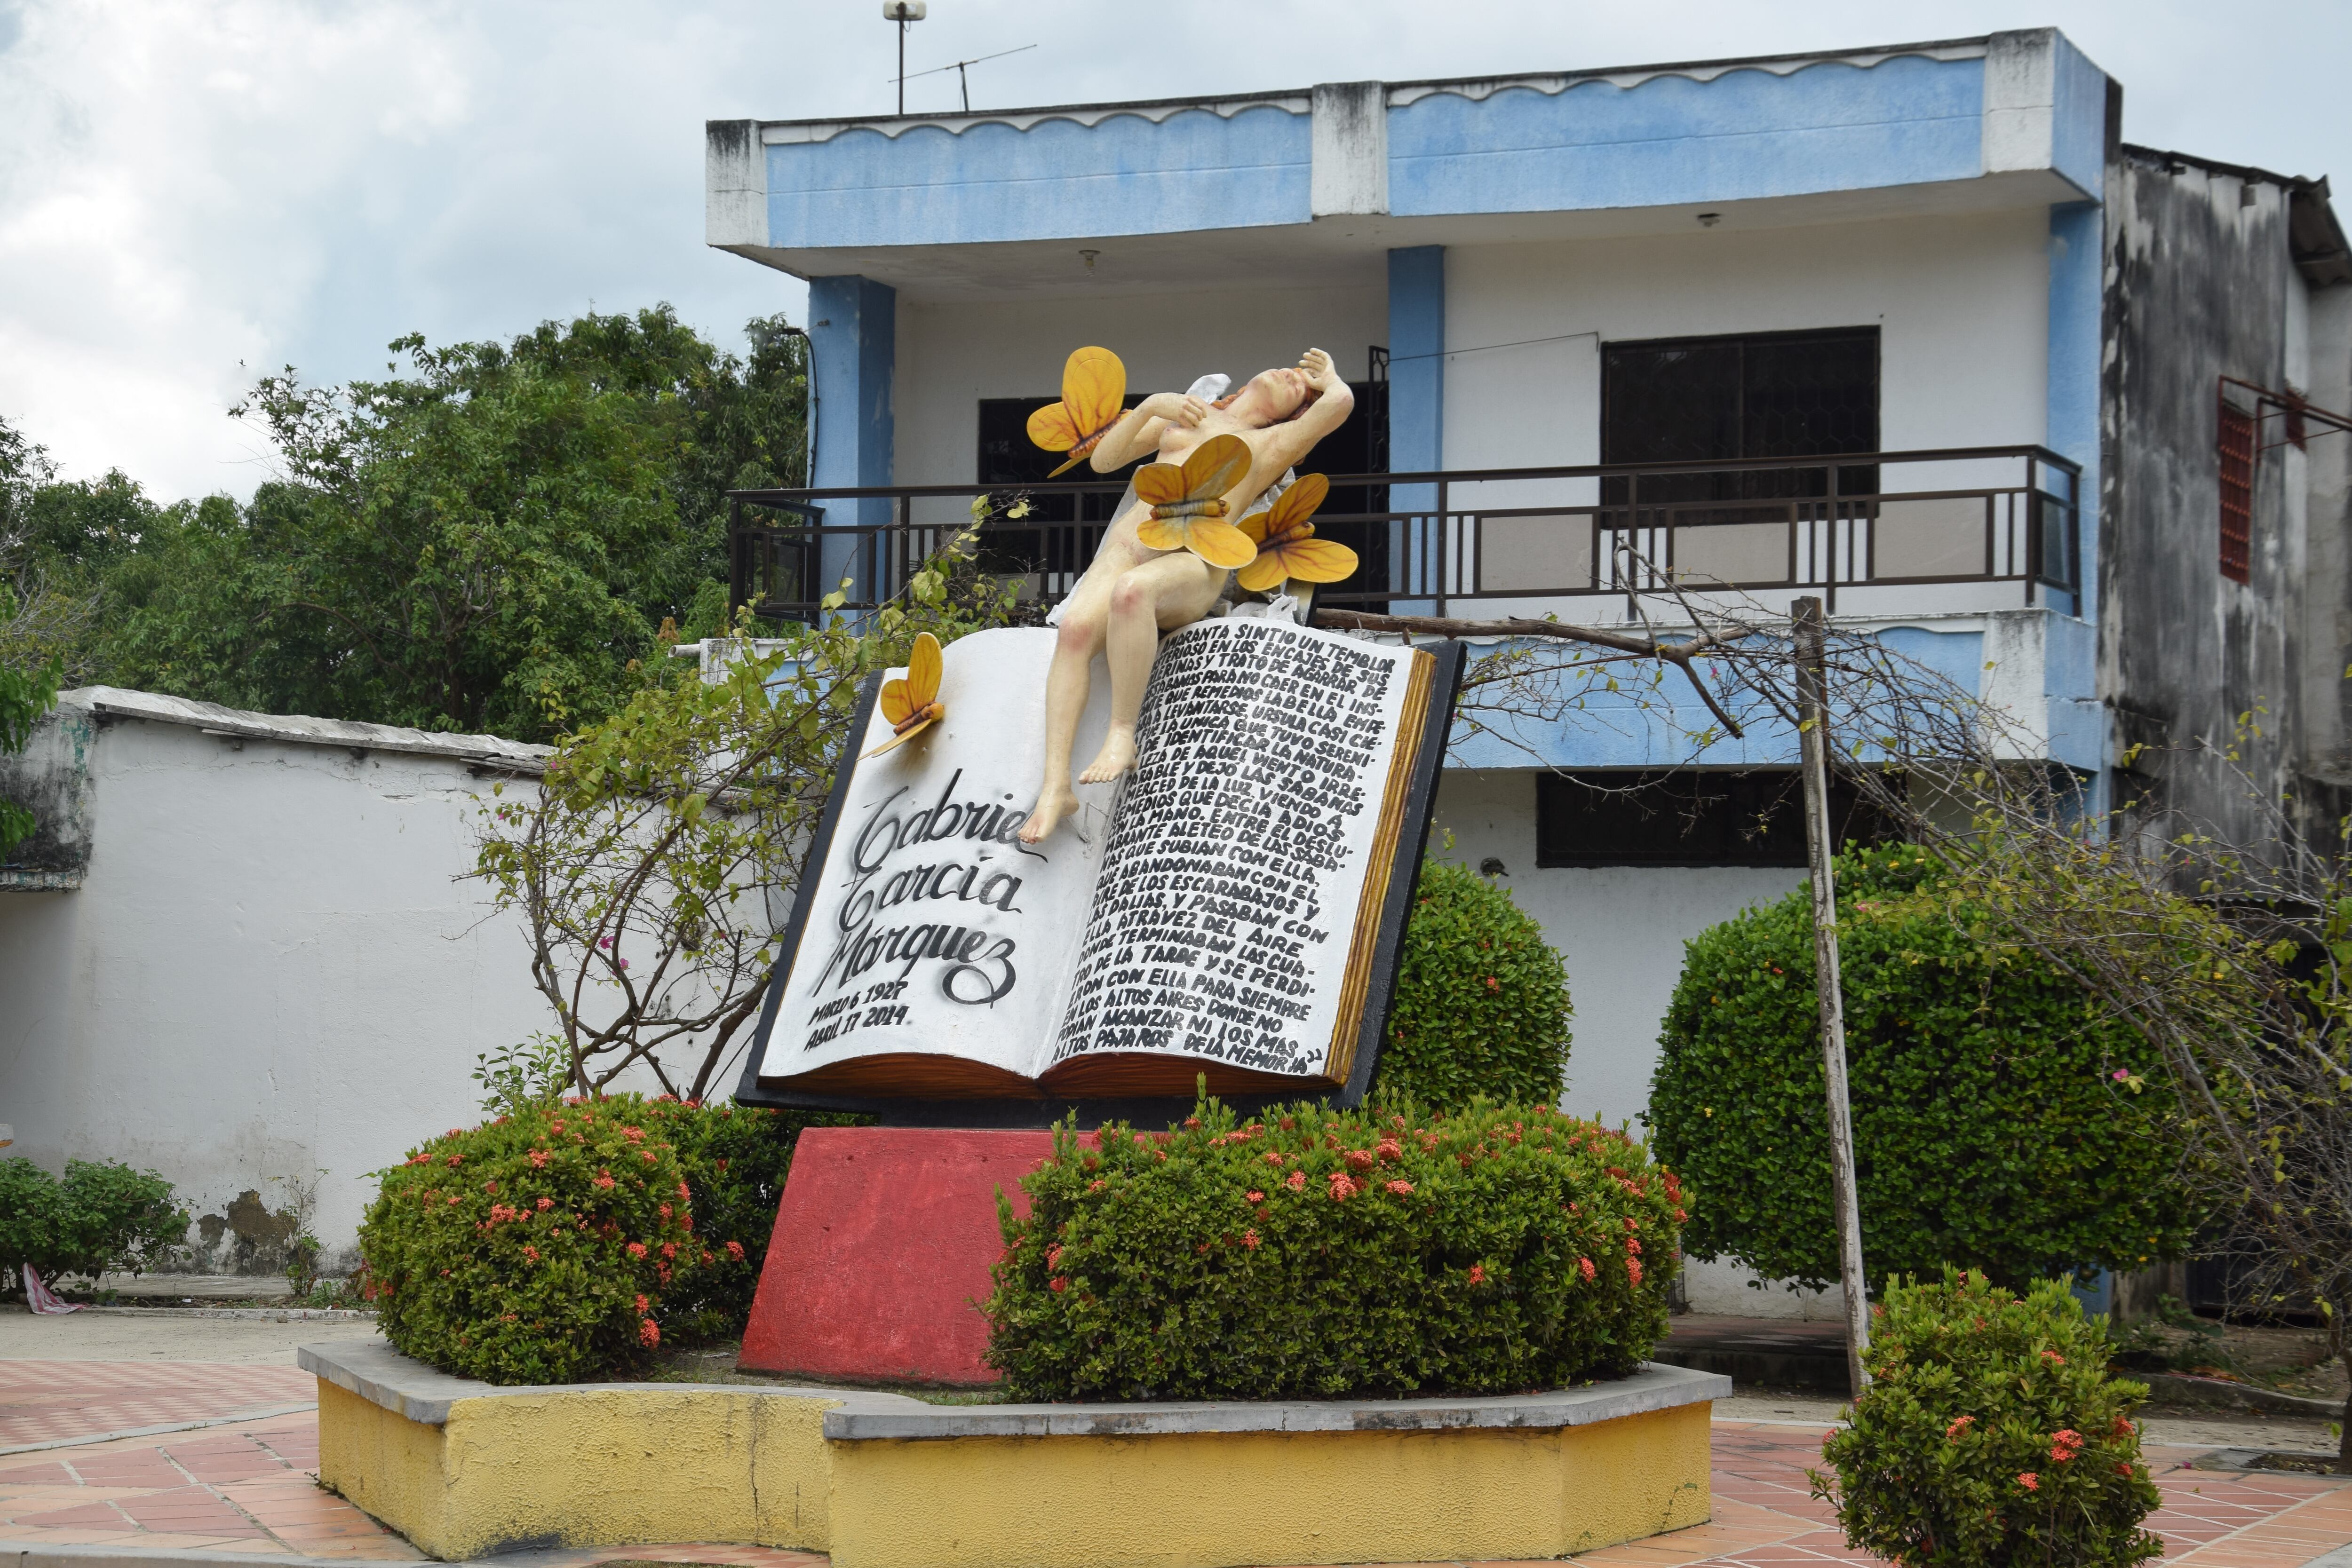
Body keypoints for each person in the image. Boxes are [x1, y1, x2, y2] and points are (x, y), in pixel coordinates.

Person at [1019, 348, 1354, 845]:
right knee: (1074, 629)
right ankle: (1054, 789)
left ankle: (1121, 733)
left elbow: (1339, 406)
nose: (1292, 377)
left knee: (1133, 594)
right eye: (1287, 370)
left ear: (1294, 417)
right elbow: (1103, 460)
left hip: (1194, 561)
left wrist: (1329, 382)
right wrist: (1155, 405)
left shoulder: (1271, 443)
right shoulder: (1189, 415)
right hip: (1127, 548)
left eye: (1299, 391)